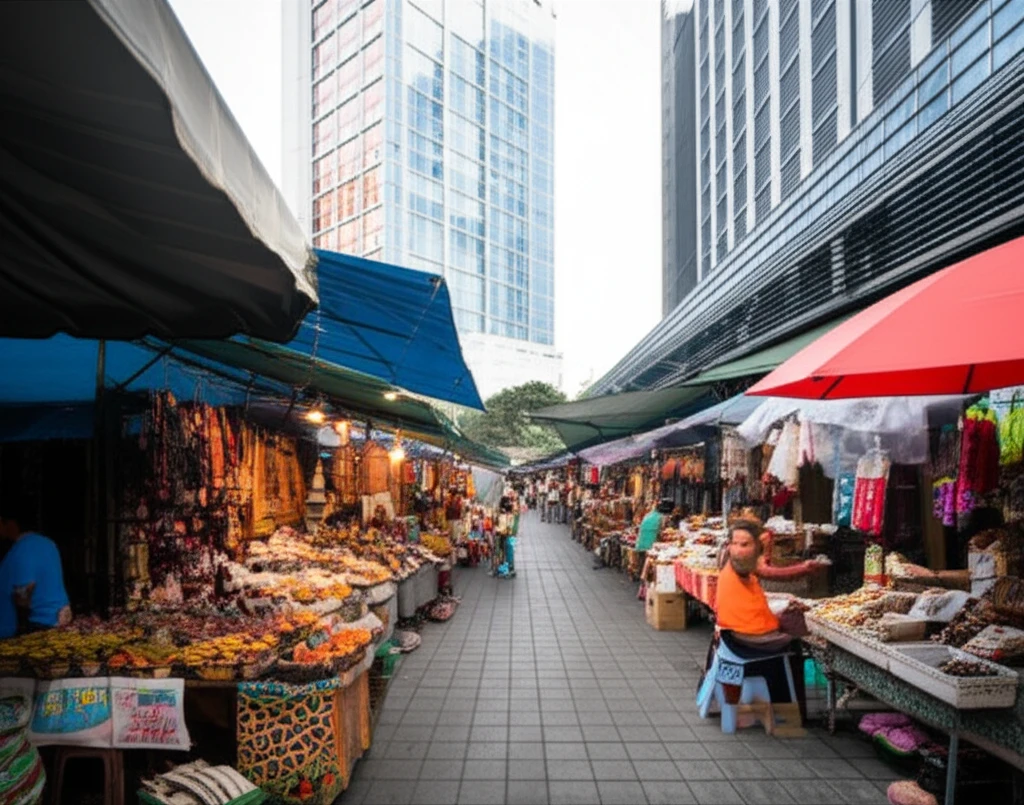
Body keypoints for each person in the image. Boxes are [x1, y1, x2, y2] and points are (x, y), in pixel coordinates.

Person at [712, 520, 808, 711]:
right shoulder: (741, 566)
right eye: (737, 544)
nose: (740, 550)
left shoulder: (734, 565)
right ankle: (788, 708)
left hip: (733, 637)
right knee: (794, 642)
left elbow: (754, 596)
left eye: (745, 545)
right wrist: (805, 569)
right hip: (748, 641)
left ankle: (778, 702)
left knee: (788, 625)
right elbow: (768, 572)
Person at [0, 505, 71, 638]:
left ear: (10, 523)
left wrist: (20, 633)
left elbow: (24, 591)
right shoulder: (48, 544)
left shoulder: (23, 548)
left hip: (32, 627)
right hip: (54, 620)